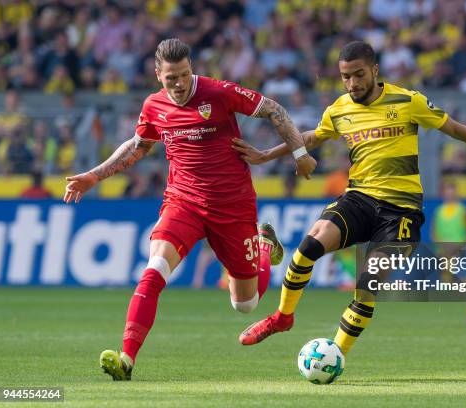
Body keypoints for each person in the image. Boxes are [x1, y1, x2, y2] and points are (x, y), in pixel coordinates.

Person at [233, 41, 466, 357]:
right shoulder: (340, 109)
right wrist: (266, 155)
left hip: (401, 212)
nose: (352, 83)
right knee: (308, 247)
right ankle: (282, 317)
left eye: (359, 75)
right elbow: (310, 137)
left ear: (374, 70)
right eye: (346, 77)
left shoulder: (408, 100)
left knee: (368, 281)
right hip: (359, 198)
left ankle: (336, 356)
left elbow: (455, 129)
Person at [63, 38, 316, 380]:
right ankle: (127, 358)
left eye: (184, 75)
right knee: (154, 269)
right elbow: (138, 147)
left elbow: (274, 109)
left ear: (191, 69)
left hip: (233, 206)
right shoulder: (153, 106)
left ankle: (264, 248)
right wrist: (94, 175)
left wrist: (300, 155)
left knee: (246, 304)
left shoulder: (219, 92)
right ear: (158, 75)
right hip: (183, 201)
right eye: (171, 78)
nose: (179, 84)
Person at [431, 179, 466, 283]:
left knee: (462, 278)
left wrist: (459, 246)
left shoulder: (464, 210)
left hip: (460, 251)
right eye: (446, 191)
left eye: (451, 190)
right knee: (445, 277)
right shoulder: (438, 211)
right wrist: (442, 245)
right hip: (443, 251)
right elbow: (433, 232)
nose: (449, 194)